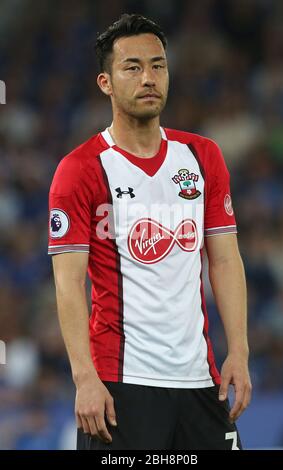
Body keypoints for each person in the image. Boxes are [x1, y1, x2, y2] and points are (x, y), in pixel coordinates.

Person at [48, 13, 252, 450]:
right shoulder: (80, 169)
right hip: (121, 385)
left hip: (201, 380)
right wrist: (84, 377)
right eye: (133, 67)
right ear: (106, 82)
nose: (149, 78)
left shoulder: (203, 157)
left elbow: (225, 258)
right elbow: (67, 282)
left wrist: (239, 350)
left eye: (158, 66)